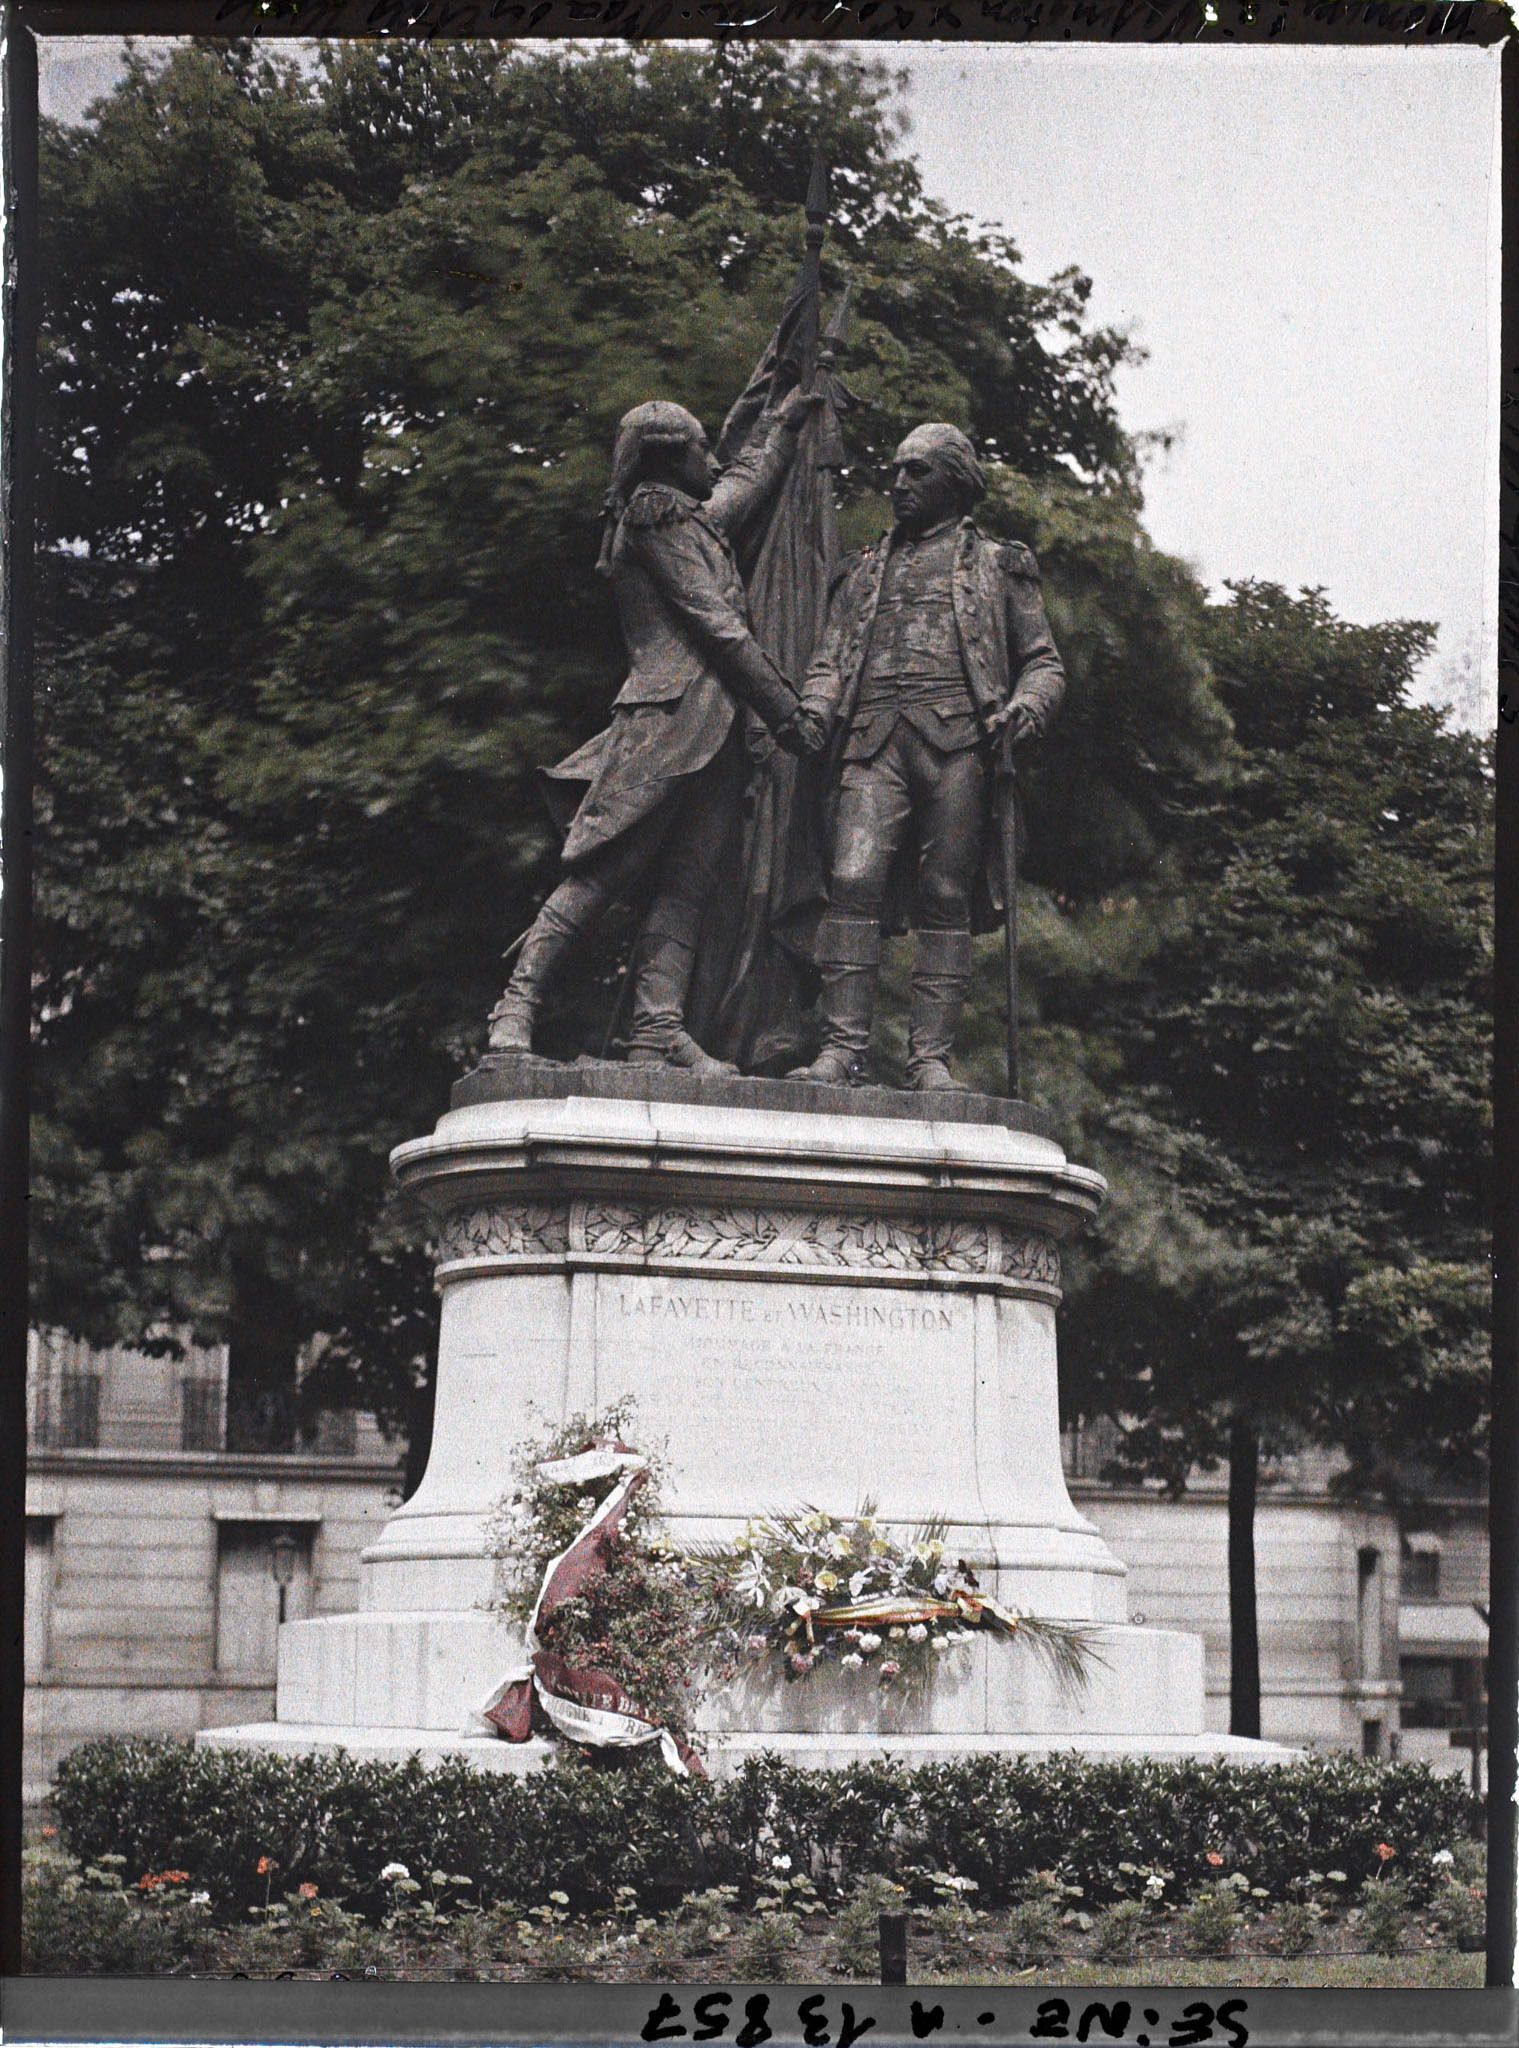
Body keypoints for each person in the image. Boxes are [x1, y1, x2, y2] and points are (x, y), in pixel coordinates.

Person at [487, 387, 827, 1073]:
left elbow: (741, 486)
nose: (712, 457)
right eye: (701, 447)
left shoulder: (690, 520)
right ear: (668, 460)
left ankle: (656, 1032)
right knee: (607, 869)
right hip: (665, 721)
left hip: (715, 728)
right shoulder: (652, 517)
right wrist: (786, 713)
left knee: (687, 885)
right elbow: (716, 626)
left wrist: (784, 424)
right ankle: (514, 1009)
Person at [787, 422, 1066, 1091]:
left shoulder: (999, 564)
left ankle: (930, 1060)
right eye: (896, 470)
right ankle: (841, 1052)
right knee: (851, 881)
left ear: (956, 483)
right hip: (870, 739)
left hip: (959, 746)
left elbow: (1043, 663)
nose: (899, 483)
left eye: (917, 472)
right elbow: (829, 660)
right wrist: (816, 707)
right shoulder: (861, 570)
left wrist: (1025, 710)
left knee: (945, 895)